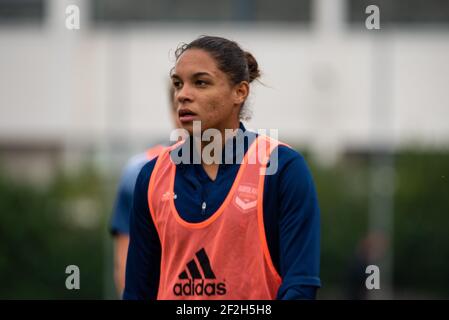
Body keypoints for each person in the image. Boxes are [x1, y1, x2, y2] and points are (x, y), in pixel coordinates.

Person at [124, 35, 321, 300]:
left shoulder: (282, 168)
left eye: (201, 83)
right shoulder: (151, 176)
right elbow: (137, 292)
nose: (182, 95)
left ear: (239, 92)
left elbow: (301, 285)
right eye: (178, 84)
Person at [109, 84, 181, 297]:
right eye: (181, 103)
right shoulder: (140, 172)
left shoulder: (249, 167)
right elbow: (125, 264)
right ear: (173, 110)